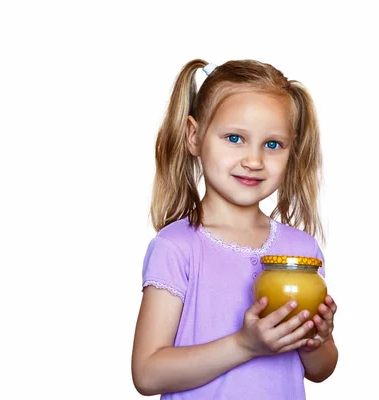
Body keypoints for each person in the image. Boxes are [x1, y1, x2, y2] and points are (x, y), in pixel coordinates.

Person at [131, 59, 338, 399]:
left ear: (292, 149)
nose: (254, 160)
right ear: (194, 136)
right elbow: (148, 374)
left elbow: (320, 370)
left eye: (273, 144)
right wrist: (245, 344)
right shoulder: (177, 246)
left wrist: (317, 340)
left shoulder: (302, 251)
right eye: (234, 138)